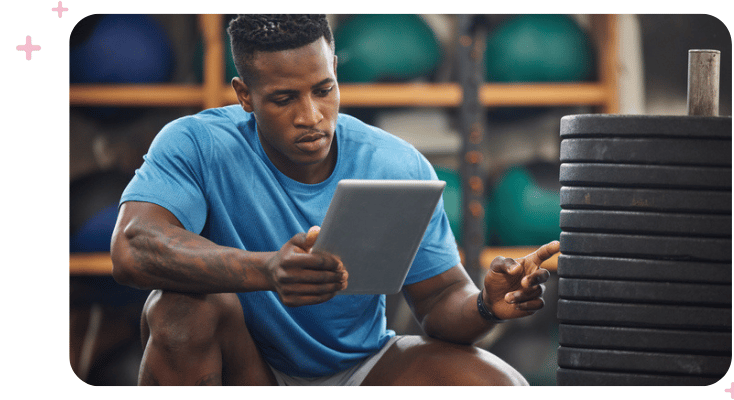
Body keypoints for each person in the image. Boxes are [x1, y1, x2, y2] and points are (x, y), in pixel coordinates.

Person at [110, 14, 559, 386]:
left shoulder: (395, 164)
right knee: (179, 311)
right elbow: (131, 248)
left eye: (323, 90)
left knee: (502, 386)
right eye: (284, 99)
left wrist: (485, 304)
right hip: (248, 370)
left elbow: (441, 299)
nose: (311, 116)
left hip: (360, 368)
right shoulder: (197, 143)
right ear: (245, 95)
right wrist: (265, 270)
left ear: (336, 72)